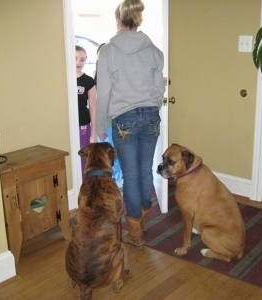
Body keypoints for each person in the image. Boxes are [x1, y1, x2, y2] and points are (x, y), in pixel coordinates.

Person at [96, 0, 165, 248]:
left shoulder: (108, 52)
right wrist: (153, 105)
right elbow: (160, 87)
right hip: (150, 116)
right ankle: (143, 220)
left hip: (124, 118)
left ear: (118, 20)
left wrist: (100, 124)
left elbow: (103, 93)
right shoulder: (154, 50)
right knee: (145, 170)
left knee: (131, 176)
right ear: (139, 20)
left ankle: (135, 231)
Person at [76, 45, 97, 179]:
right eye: (75, 59)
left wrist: (94, 134)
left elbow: (93, 108)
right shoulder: (64, 79)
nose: (79, 62)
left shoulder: (88, 81)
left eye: (82, 59)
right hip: (69, 125)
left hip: (83, 125)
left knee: (84, 158)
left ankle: (85, 185)